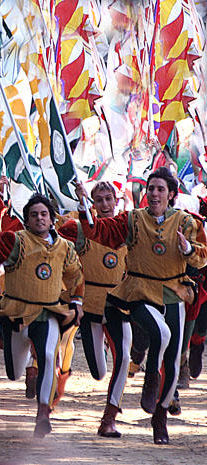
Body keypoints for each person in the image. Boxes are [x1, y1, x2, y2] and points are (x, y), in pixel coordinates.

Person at [73, 168, 207, 444]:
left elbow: (202, 258)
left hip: (174, 293)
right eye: (150, 188)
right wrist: (85, 204)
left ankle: (160, 417)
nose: (154, 193)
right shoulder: (132, 219)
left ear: (171, 194)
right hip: (138, 291)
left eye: (160, 189)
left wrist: (189, 251)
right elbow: (101, 231)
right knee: (161, 335)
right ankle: (148, 380)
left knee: (171, 361)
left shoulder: (187, 222)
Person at [0, 193, 84, 438]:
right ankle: (3, 334)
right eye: (34, 215)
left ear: (52, 220)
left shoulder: (65, 247)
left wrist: (76, 301)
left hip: (48, 311)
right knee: (14, 372)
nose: (39, 219)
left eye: (44, 214)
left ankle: (43, 412)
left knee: (49, 356)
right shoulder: (14, 241)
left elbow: (76, 276)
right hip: (16, 315)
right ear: (27, 220)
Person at [57, 182, 130, 437]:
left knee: (124, 357)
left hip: (120, 303)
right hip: (91, 306)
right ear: (94, 204)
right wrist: (81, 206)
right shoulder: (85, 229)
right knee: (99, 372)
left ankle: (109, 418)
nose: (105, 205)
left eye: (109, 199)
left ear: (117, 200)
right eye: (99, 200)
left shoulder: (129, 227)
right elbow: (62, 230)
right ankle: (102, 350)